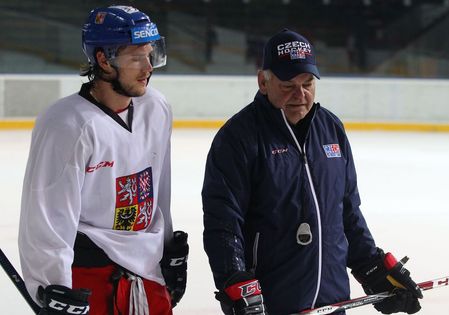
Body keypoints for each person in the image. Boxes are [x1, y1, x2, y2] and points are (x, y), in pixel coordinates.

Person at [202, 28, 423, 315]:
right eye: (288, 85)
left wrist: (372, 266)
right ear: (263, 81)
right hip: (271, 303)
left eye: (307, 83)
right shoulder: (239, 138)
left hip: (332, 301)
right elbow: (223, 222)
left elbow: (347, 210)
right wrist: (235, 281)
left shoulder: (330, 129)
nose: (300, 95)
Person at [18, 5, 188, 315]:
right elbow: (47, 214)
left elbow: (158, 186)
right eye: (136, 58)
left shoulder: (156, 107)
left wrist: (167, 249)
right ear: (103, 60)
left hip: (148, 270)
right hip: (87, 278)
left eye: (151, 55)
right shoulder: (66, 123)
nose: (148, 67)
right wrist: (51, 286)